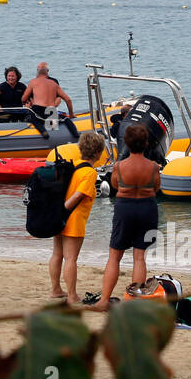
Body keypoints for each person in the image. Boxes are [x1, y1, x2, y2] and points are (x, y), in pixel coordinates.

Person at [87, 124, 161, 311]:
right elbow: (156, 188)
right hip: (147, 208)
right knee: (139, 257)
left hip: (125, 208)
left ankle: (104, 301)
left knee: (114, 256)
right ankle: (135, 301)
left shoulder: (120, 165)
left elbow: (115, 185)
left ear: (126, 143)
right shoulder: (153, 167)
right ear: (146, 144)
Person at [46, 131, 108, 306]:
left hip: (58, 218)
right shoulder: (89, 173)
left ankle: (55, 289)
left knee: (57, 254)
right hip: (73, 220)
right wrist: (63, 211)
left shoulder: (72, 166)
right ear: (98, 153)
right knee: (71, 258)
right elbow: (79, 195)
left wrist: (57, 214)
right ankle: (72, 295)